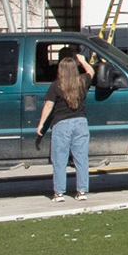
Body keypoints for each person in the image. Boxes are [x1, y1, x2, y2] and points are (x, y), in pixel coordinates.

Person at [35, 49, 94, 202]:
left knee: (60, 159)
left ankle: (59, 193)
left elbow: (48, 105)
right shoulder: (82, 81)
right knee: (81, 158)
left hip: (61, 124)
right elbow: (91, 72)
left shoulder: (56, 85)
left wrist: (41, 124)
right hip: (81, 123)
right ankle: (82, 191)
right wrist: (83, 61)